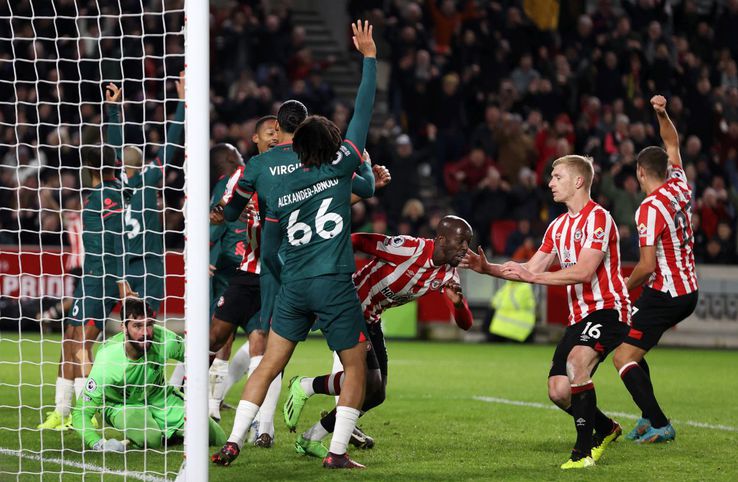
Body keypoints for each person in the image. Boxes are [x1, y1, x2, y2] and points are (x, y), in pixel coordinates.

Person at [211, 19, 377, 469]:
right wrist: (369, 58)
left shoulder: (277, 179)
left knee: (267, 364)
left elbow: (258, 223)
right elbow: (362, 113)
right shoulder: (342, 166)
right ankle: (337, 453)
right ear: (334, 145)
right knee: (356, 365)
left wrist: (226, 219)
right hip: (332, 282)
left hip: (292, 284)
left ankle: (234, 441)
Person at [462, 154, 630, 469]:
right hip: (579, 317)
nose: (550, 182)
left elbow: (582, 272)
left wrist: (534, 277)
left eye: (557, 176)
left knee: (577, 361)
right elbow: (529, 268)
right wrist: (487, 269)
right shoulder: (557, 226)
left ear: (578, 181)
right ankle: (607, 429)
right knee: (558, 390)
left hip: (609, 310)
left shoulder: (599, 218)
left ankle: (583, 454)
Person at [284, 216, 474, 459]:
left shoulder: (448, 275)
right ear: (440, 239)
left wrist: (458, 305)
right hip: (349, 306)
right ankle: (306, 388)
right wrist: (332, 276)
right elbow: (358, 241)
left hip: (371, 317)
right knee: (366, 381)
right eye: (460, 242)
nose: (465, 248)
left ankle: (311, 436)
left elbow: (465, 323)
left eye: (468, 243)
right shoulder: (408, 248)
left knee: (377, 393)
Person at [612, 95, 699, 443]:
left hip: (666, 292)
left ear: (640, 173)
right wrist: (662, 113)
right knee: (627, 342)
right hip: (685, 288)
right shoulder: (680, 184)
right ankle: (649, 417)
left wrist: (619, 287)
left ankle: (659, 422)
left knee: (622, 358)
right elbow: (671, 141)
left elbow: (647, 266)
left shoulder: (648, 209)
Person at [37, 144, 135, 430]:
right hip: (91, 277)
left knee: (81, 344)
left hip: (101, 277)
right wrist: (114, 111)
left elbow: (115, 242)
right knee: (69, 340)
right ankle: (62, 411)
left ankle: (89, 412)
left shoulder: (105, 196)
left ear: (88, 168)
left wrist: (119, 281)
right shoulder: (114, 188)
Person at [72, 298, 226, 451]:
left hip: (159, 397)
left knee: (216, 437)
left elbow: (199, 358)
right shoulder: (108, 360)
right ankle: (163, 432)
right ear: (123, 328)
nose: (145, 332)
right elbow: (81, 413)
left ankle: (166, 429)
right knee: (150, 438)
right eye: (137, 326)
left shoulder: (165, 340)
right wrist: (98, 444)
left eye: (149, 325)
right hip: (122, 405)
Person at [107, 73, 185, 314]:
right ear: (142, 163)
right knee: (148, 320)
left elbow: (115, 146)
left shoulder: (117, 182)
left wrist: (113, 110)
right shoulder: (149, 178)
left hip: (124, 267)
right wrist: (182, 103)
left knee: (130, 322)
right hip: (150, 263)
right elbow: (171, 145)